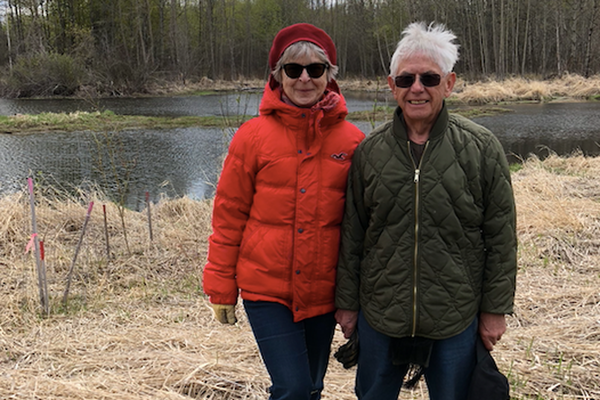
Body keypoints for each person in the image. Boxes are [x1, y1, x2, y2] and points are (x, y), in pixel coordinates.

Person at [335, 22, 517, 400]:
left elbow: (501, 238)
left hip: (455, 315)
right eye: (406, 79)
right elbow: (353, 235)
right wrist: (347, 305)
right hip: (381, 313)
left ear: (449, 83)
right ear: (391, 86)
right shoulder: (370, 152)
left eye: (429, 78)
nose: (416, 88)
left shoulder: (481, 148)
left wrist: (494, 310)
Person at [203, 23, 364, 400]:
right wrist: (221, 286)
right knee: (291, 388)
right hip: (266, 290)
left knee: (312, 387)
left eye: (316, 69)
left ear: (330, 76)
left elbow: (364, 226)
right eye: (294, 69)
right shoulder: (252, 137)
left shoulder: (354, 142)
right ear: (278, 76)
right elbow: (229, 216)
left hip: (325, 290)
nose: (305, 78)